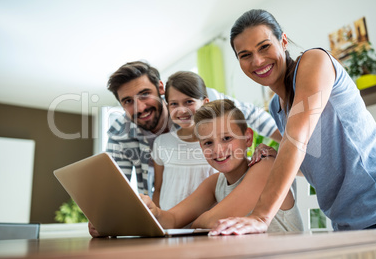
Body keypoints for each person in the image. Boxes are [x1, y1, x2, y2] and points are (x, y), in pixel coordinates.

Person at [209, 9, 376, 258]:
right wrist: (274, 155)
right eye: (245, 55)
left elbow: (297, 139)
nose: (257, 61)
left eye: (264, 47)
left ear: (283, 41)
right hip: (347, 224)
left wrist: (261, 216)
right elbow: (311, 162)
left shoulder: (314, 61)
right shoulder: (276, 106)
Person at [89, 99, 303, 237]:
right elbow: (171, 219)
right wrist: (137, 215)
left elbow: (211, 221)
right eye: (208, 143)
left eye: (227, 138)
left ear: (248, 138)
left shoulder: (265, 166)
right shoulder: (214, 183)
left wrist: (190, 222)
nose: (218, 150)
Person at [105, 61, 282, 198]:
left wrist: (292, 145)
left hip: (214, 196)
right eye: (128, 101)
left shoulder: (202, 104)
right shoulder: (121, 132)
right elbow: (115, 187)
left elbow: (253, 115)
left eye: (145, 94)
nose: (140, 107)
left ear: (160, 88)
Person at [151, 71, 217, 210]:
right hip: (170, 228)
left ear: (205, 102)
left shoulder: (219, 144)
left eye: (189, 102)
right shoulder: (161, 143)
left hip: (208, 227)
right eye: (174, 104)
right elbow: (158, 188)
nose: (182, 111)